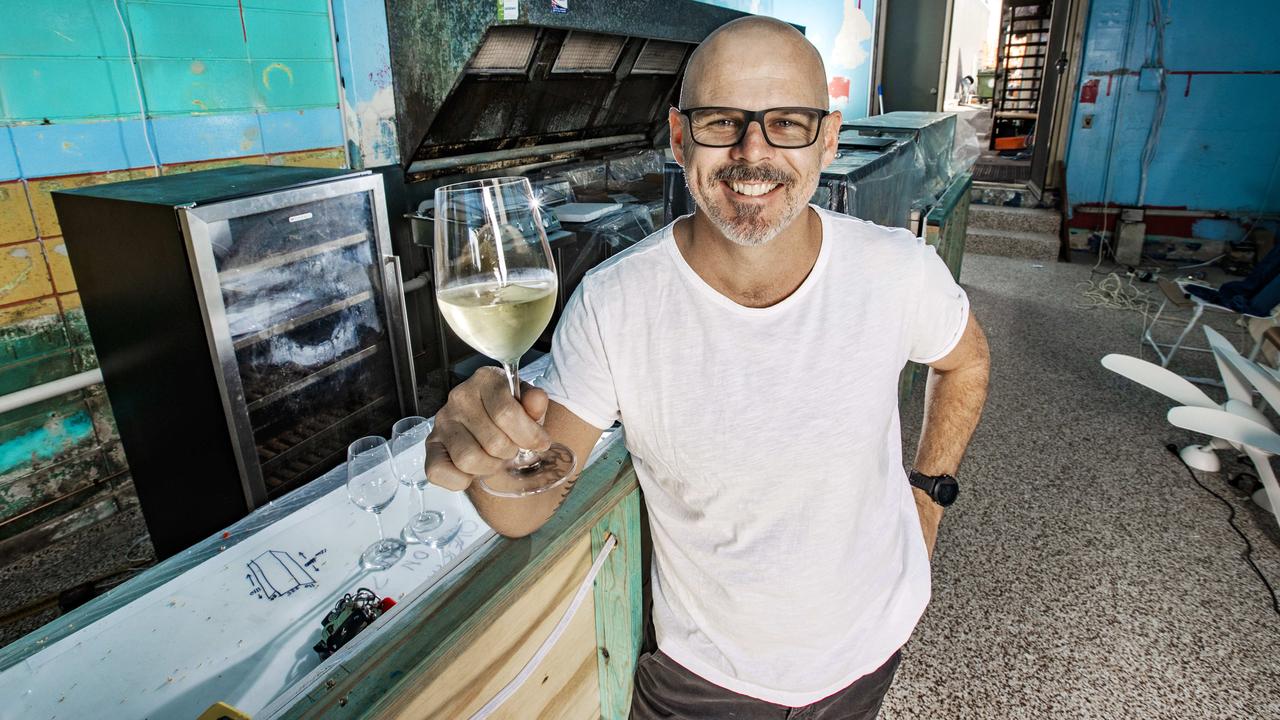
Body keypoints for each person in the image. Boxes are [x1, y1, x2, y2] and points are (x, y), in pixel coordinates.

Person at [426, 16, 990, 720]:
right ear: (678, 137)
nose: (752, 152)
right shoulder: (615, 303)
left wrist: (928, 498)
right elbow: (530, 503)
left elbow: (966, 361)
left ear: (828, 139)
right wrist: (483, 449)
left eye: (787, 121)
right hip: (704, 679)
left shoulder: (896, 271)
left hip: (873, 643)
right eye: (722, 121)